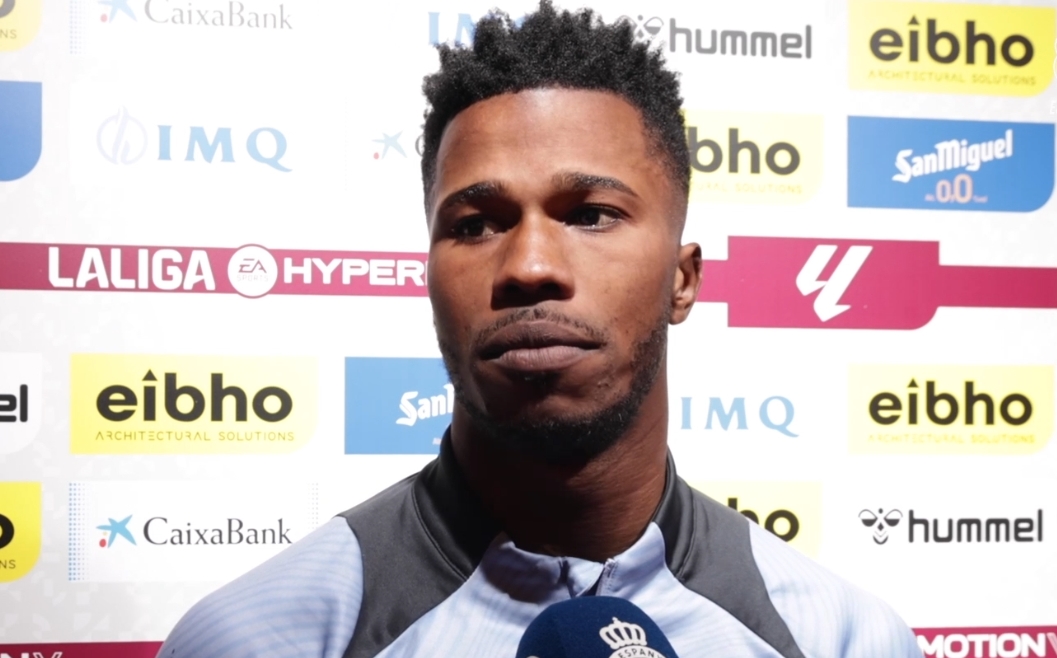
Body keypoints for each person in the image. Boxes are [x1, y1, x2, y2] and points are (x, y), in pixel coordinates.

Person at [157, 3, 921, 657]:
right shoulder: (262, 638)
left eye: (590, 214)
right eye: (475, 224)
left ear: (681, 280)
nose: (527, 266)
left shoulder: (839, 637)